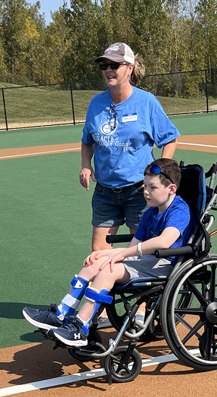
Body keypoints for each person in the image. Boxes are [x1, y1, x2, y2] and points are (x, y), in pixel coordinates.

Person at [23, 159, 194, 347]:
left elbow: (164, 241)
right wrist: (106, 254)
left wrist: (125, 254)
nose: (145, 192)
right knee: (94, 263)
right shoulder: (150, 212)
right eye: (144, 186)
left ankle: (80, 327)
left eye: (152, 187)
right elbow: (133, 245)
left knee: (108, 271)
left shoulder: (179, 210)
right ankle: (62, 313)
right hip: (148, 261)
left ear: (171, 189)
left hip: (167, 265)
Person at [80, 42, 180, 253]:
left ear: (130, 68)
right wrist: (86, 166)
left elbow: (170, 138)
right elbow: (87, 140)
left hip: (139, 192)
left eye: (114, 65)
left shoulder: (146, 102)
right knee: (99, 254)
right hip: (105, 192)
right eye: (104, 66)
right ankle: (104, 286)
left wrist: (159, 171)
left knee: (141, 252)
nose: (108, 70)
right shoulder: (96, 104)